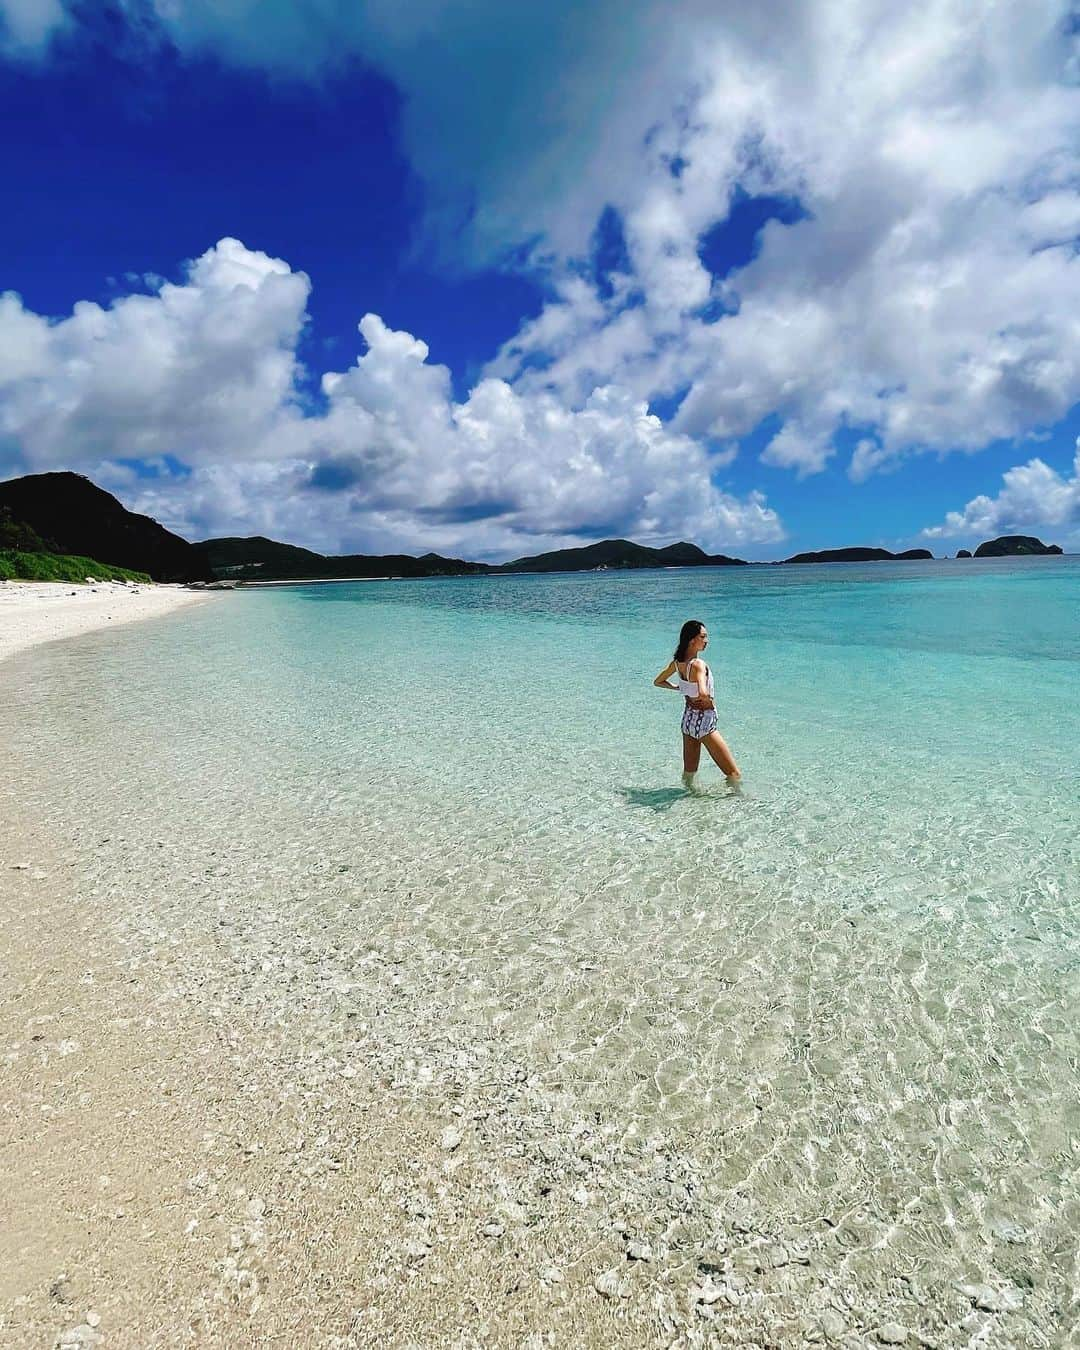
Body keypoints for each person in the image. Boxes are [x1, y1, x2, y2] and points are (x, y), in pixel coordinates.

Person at [653, 618, 740, 787]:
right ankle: (739, 803)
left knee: (689, 773)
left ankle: (688, 800)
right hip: (704, 723)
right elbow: (703, 692)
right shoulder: (698, 664)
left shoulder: (677, 664)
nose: (706, 641)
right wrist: (707, 700)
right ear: (692, 640)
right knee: (734, 774)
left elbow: (658, 682)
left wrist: (680, 688)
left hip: (687, 721)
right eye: (703, 636)